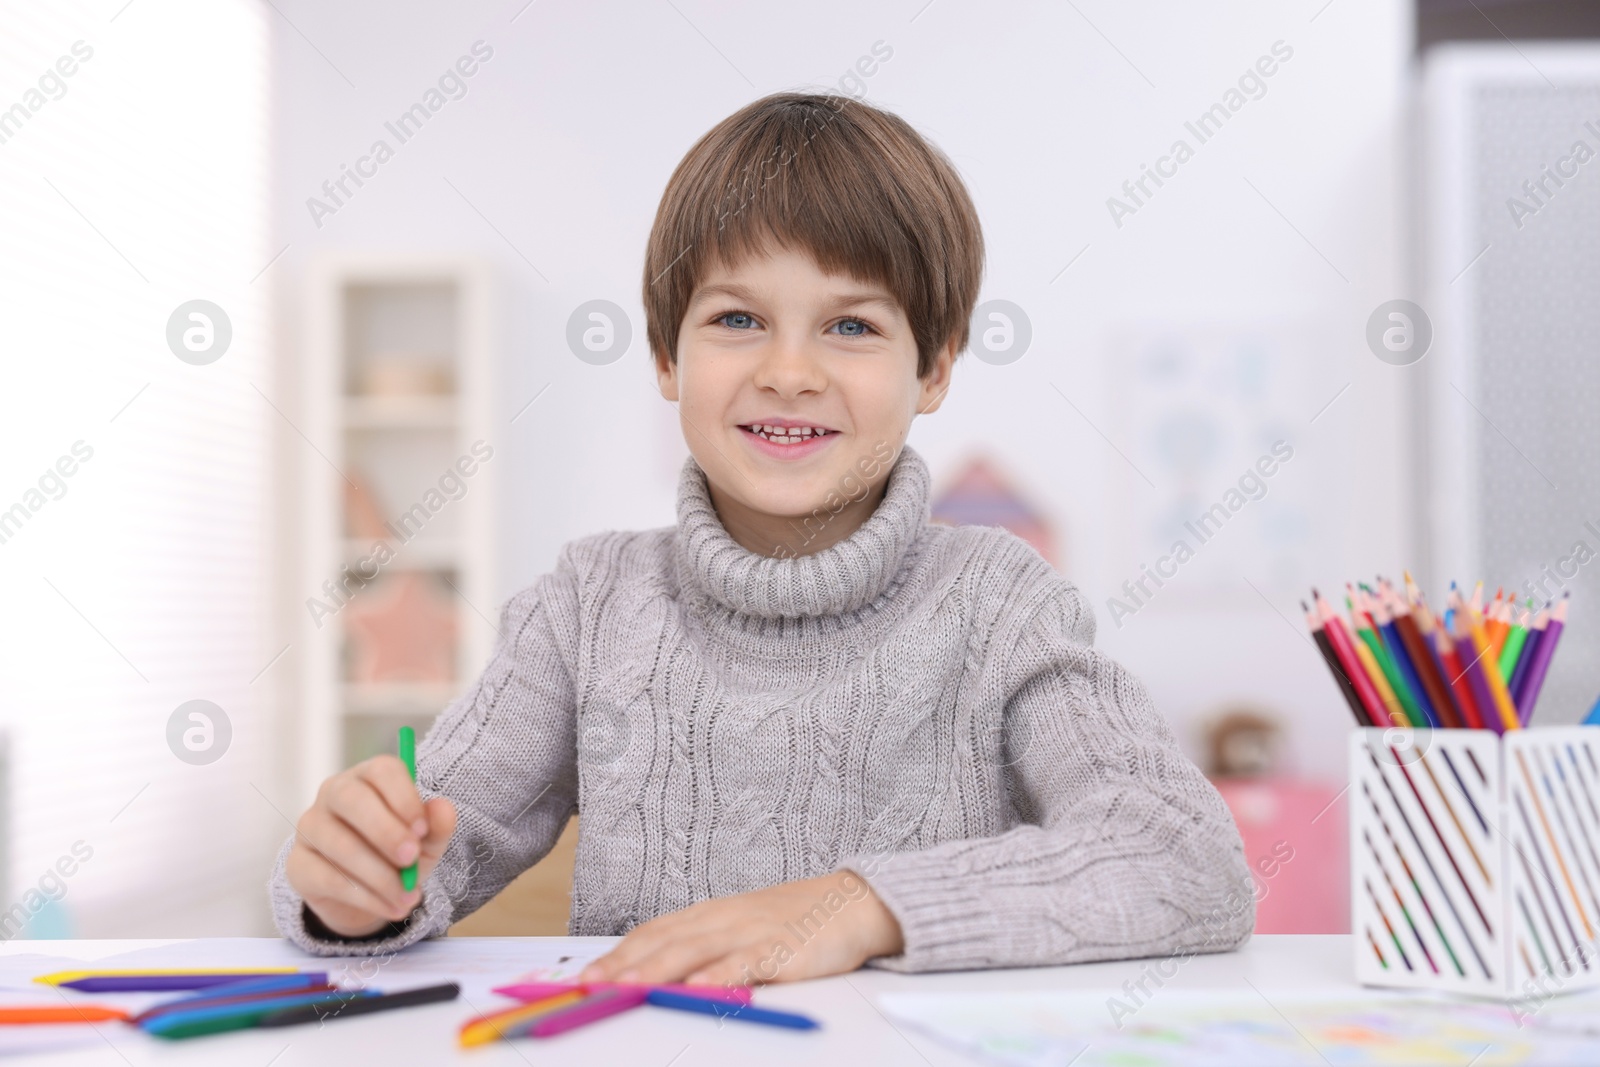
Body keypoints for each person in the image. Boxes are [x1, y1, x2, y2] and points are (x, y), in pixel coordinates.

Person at [271, 90, 1254, 984]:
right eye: (738, 317)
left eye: (852, 326)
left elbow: (1185, 854)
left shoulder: (1002, 600)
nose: (789, 370)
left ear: (935, 369)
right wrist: (352, 884)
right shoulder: (587, 601)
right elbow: (430, 847)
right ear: (666, 353)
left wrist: (864, 904)